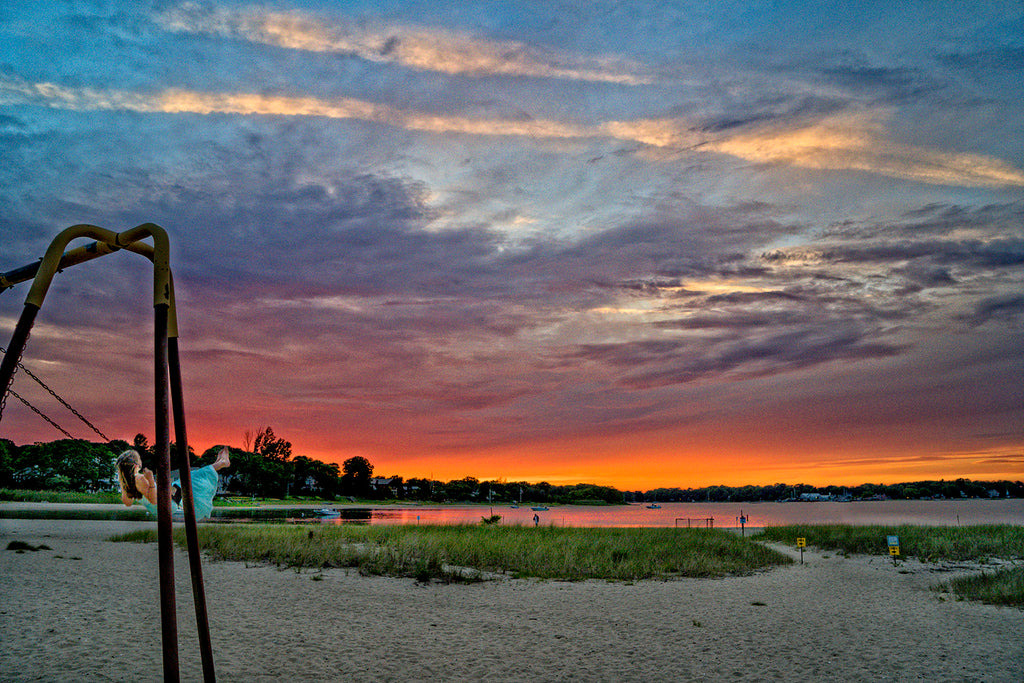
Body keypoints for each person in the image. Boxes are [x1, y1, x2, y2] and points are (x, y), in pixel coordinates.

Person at [117, 446, 231, 520]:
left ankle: (217, 464)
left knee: (186, 481)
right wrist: (151, 480)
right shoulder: (139, 479)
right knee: (190, 478)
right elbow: (153, 498)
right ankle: (220, 464)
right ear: (136, 465)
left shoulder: (127, 484)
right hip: (166, 506)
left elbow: (127, 502)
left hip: (161, 507)